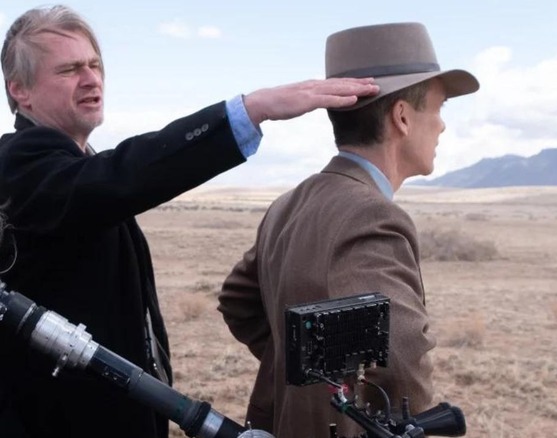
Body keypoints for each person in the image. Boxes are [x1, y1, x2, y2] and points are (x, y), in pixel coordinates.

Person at [0, 5, 378, 438]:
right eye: (69, 70)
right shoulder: (21, 163)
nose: (91, 79)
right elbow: (119, 179)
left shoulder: (72, 164)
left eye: (94, 64)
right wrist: (250, 111)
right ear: (21, 91)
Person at [218, 22, 479, 437]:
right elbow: (403, 357)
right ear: (402, 117)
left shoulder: (290, 203)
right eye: (439, 107)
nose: (443, 125)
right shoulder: (373, 217)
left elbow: (237, 301)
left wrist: (299, 372)